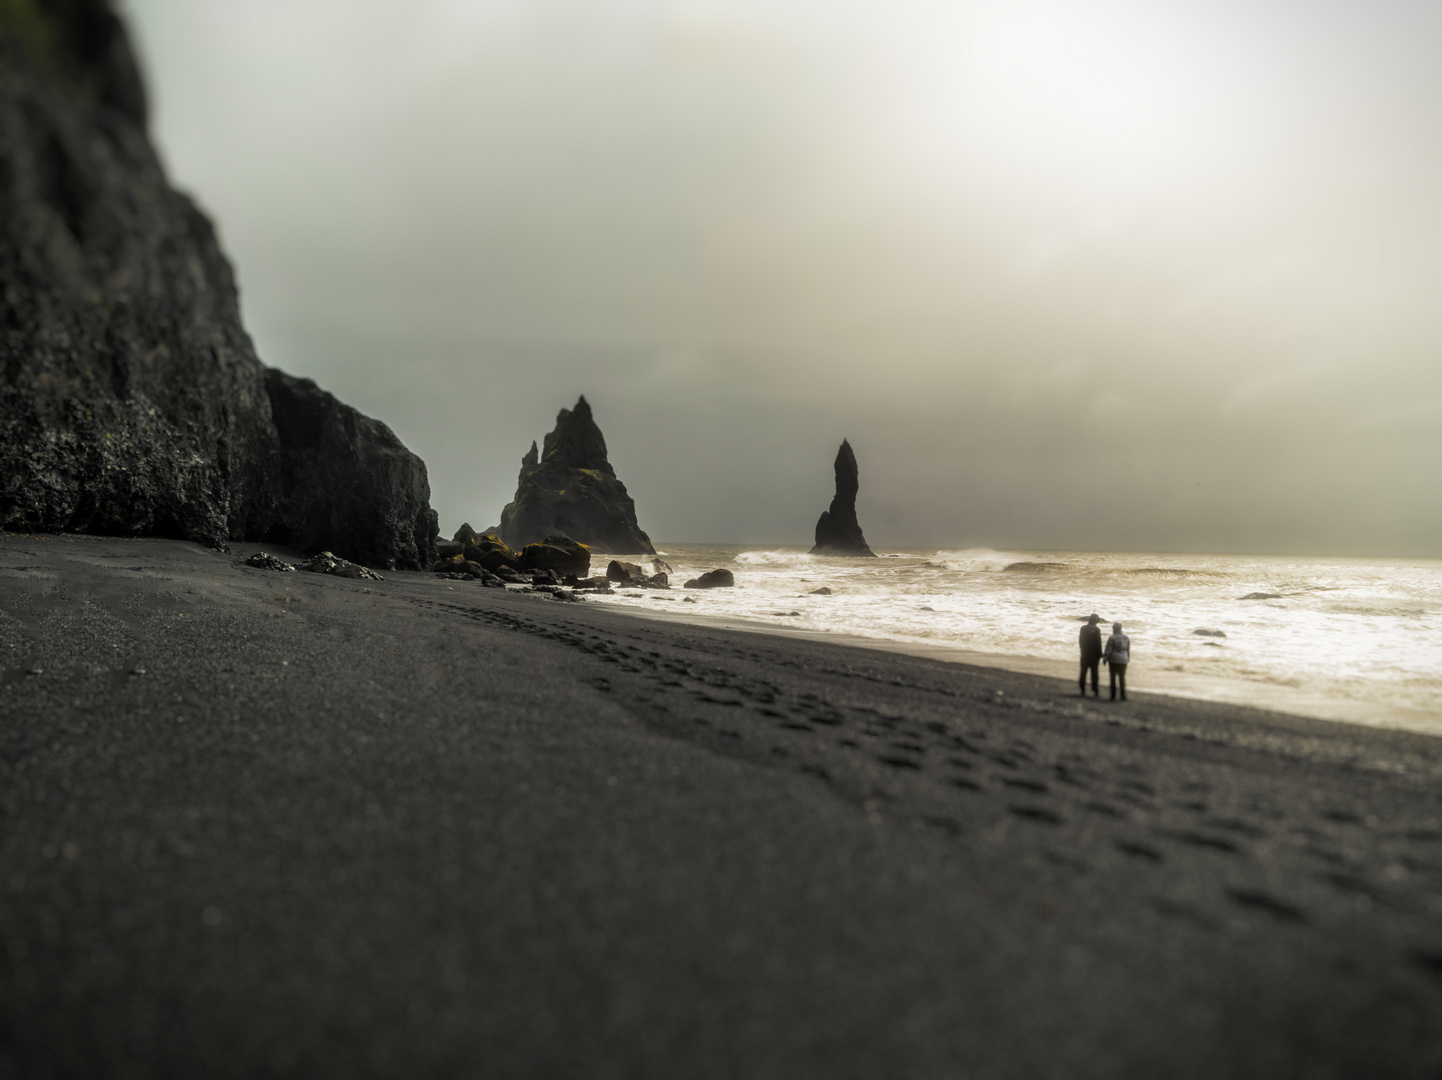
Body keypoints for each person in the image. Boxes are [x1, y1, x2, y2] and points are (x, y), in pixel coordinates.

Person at [1105, 621, 1131, 701]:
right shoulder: (1126, 637)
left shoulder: (1112, 637)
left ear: (1114, 629)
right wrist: (1127, 658)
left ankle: (1113, 696)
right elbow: (1128, 650)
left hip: (1113, 659)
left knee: (1113, 678)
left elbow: (1108, 650)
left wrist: (1105, 658)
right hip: (1123, 659)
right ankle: (1123, 696)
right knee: (1122, 678)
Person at [1078, 614, 1103, 697]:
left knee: (1083, 672)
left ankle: (1082, 689)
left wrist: (1082, 651)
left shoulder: (1083, 628)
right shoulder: (1096, 629)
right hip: (1094, 655)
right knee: (1094, 673)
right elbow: (1098, 643)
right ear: (1096, 621)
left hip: (1085, 654)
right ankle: (1095, 689)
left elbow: (1080, 641)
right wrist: (1100, 654)